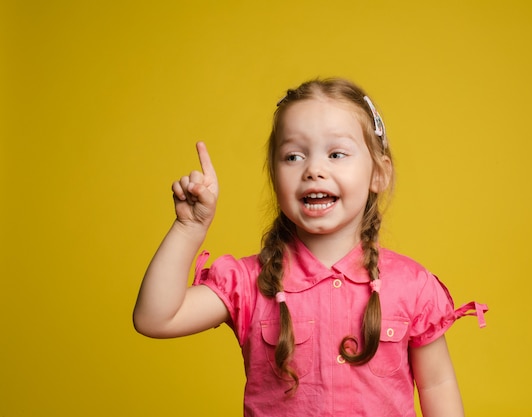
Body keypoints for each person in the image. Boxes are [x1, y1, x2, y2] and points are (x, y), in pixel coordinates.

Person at [133, 78, 487, 417]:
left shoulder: (412, 285)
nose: (314, 169)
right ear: (274, 177)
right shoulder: (248, 282)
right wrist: (189, 227)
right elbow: (155, 318)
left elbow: (437, 384)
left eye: (336, 154)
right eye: (293, 157)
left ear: (378, 174)